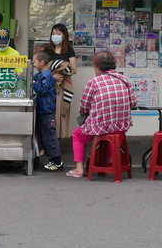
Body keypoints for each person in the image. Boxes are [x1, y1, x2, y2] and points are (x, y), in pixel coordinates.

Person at [66, 50, 137, 178]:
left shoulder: (94, 82)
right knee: (112, 134)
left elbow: (84, 107)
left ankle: (79, 169)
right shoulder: (124, 80)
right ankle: (111, 163)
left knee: (77, 135)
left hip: (100, 127)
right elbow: (133, 103)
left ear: (98, 67)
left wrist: (86, 114)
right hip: (121, 127)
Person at [31, 51, 63, 171]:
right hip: (42, 110)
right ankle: (52, 159)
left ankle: (57, 162)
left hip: (47, 110)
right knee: (44, 136)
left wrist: (34, 84)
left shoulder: (47, 75)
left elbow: (42, 89)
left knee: (49, 136)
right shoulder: (40, 74)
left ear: (42, 62)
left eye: (34, 61)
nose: (33, 64)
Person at [46, 24, 78, 138]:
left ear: (64, 36)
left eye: (58, 34)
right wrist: (53, 75)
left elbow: (73, 69)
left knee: (62, 110)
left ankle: (60, 137)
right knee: (51, 111)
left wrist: (60, 69)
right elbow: (42, 67)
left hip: (64, 86)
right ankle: (50, 137)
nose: (55, 36)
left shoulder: (69, 50)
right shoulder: (47, 50)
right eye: (53, 34)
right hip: (49, 85)